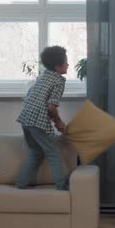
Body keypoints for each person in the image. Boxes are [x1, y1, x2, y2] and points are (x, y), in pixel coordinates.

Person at [15, 46, 70, 190]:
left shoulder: (43, 76)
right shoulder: (59, 81)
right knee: (53, 152)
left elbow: (34, 98)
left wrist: (55, 121)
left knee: (37, 151)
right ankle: (62, 185)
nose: (68, 65)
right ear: (58, 67)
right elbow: (51, 107)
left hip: (26, 119)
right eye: (66, 62)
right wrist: (58, 122)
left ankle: (21, 184)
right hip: (36, 122)